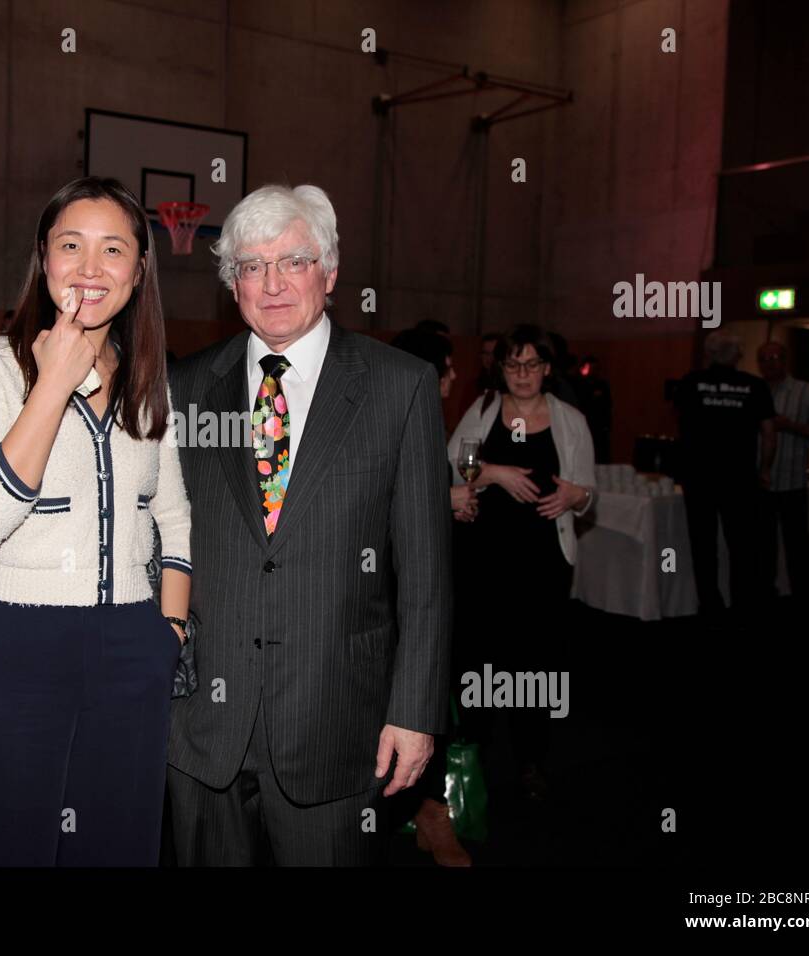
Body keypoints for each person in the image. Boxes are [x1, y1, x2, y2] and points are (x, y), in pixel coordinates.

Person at [166, 184, 451, 866]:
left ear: (329, 269)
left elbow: (427, 573)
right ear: (230, 282)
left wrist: (414, 711)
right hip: (204, 727)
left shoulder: (398, 386)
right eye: (250, 266)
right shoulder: (184, 387)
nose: (270, 284)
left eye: (291, 261)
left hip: (336, 725)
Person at [0, 177, 190, 866]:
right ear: (43, 260)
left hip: (131, 642)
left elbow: (173, 514)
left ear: (140, 271)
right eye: (70, 245)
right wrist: (52, 382)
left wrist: (167, 630)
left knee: (116, 843)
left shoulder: (148, 378)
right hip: (16, 638)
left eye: (113, 249)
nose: (89, 267)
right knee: (6, 842)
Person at [448, 323, 596, 801]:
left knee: (537, 662)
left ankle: (532, 760)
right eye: (513, 364)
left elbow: (588, 493)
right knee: (478, 656)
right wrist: (495, 473)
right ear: (502, 368)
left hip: (543, 561)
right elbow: (453, 463)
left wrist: (577, 496)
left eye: (532, 364)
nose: (523, 373)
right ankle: (474, 756)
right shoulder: (485, 408)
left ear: (547, 369)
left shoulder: (570, 418)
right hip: (484, 558)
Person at [391, 326, 475, 866]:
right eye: (446, 366)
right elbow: (381, 497)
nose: (453, 377)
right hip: (391, 595)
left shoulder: (429, 416)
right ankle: (423, 813)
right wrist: (445, 498)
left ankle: (427, 813)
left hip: (427, 589)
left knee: (430, 702)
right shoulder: (396, 411)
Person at [674, 332, 776, 618]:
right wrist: (764, 470)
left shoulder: (691, 383)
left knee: (703, 545)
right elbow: (769, 434)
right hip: (740, 479)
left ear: (708, 354)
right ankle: (742, 604)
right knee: (742, 546)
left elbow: (680, 425)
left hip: (699, 479)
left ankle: (710, 604)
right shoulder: (755, 386)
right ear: (737, 355)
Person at [756, 341, 809, 599]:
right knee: (762, 547)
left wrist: (791, 426)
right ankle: (765, 595)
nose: (769, 363)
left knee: (797, 547)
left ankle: (804, 599)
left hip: (792, 483)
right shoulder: (754, 392)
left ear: (785, 360)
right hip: (761, 484)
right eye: (764, 359)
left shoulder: (808, 392)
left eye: (775, 357)